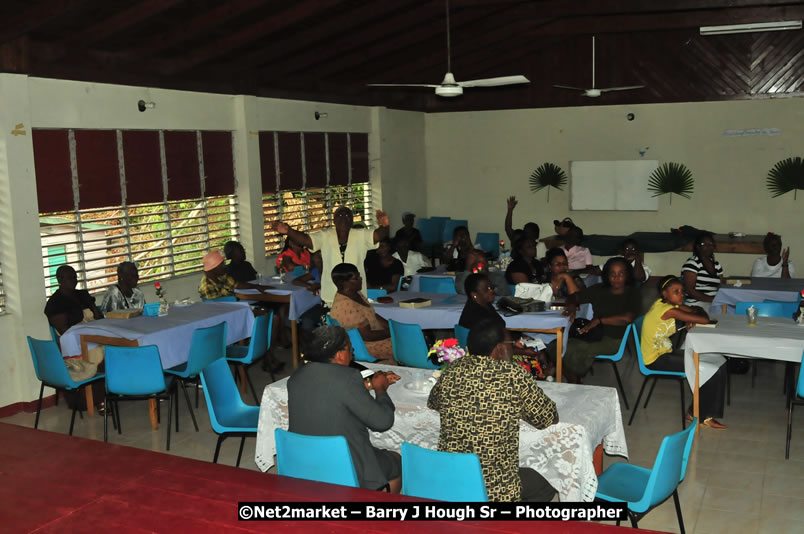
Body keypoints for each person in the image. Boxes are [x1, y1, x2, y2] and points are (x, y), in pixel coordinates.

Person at [428, 317, 558, 502]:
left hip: (452, 476)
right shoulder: (514, 376)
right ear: (499, 348)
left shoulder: (452, 370)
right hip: (494, 486)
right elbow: (548, 418)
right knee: (546, 482)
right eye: (510, 344)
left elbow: (433, 402)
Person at [287, 325, 402, 492]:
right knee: (395, 461)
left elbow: (328, 391)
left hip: (303, 461)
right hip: (344, 464)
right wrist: (381, 389)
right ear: (340, 355)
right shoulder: (349, 378)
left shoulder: (297, 376)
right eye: (350, 349)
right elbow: (383, 422)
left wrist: (369, 384)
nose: (352, 354)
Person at [642, 275, 727, 429]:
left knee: (718, 363)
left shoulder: (668, 304)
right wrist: (693, 315)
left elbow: (699, 313)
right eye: (676, 291)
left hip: (666, 353)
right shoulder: (667, 310)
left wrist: (693, 314)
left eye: (682, 291)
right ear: (664, 294)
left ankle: (702, 412)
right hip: (656, 360)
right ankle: (699, 415)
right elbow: (704, 320)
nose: (681, 295)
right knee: (711, 370)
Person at [547, 257, 641, 382]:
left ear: (628, 275)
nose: (616, 277)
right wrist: (572, 305)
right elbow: (574, 296)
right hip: (594, 334)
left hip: (614, 340)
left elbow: (628, 318)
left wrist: (600, 320)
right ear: (606, 275)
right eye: (612, 273)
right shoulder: (599, 289)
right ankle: (573, 378)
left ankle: (573, 380)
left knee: (570, 349)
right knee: (555, 344)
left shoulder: (633, 293)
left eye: (621, 273)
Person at [272, 207, 390, 306]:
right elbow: (306, 240)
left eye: (347, 215)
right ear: (334, 220)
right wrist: (289, 231)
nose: (343, 218)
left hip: (357, 295)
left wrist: (384, 225)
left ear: (352, 220)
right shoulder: (325, 236)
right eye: (339, 215)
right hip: (331, 297)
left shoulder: (361, 235)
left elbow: (378, 235)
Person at [328, 263, 395, 363]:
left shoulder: (356, 293)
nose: (361, 279)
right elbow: (367, 336)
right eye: (356, 278)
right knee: (406, 344)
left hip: (372, 338)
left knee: (406, 338)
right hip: (363, 346)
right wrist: (391, 333)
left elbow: (373, 315)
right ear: (345, 282)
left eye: (359, 275)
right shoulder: (346, 305)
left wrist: (392, 328)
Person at [45, 265, 103, 335]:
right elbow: (66, 333)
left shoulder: (83, 294)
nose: (74, 280)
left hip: (98, 332)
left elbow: (98, 317)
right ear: (59, 280)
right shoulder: (54, 303)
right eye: (70, 278)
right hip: (77, 339)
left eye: (75, 277)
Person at [682, 232, 723, 307]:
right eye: (704, 244)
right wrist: (712, 300)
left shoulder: (717, 265)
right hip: (696, 304)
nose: (708, 246)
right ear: (698, 247)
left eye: (711, 244)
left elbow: (721, 287)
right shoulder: (692, 264)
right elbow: (690, 290)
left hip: (713, 302)